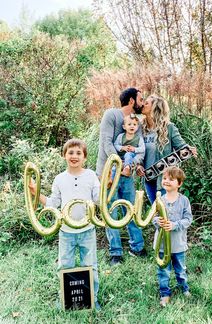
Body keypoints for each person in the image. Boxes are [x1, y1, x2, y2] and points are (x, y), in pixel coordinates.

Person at [29, 139, 101, 311]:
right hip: (66, 232)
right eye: (70, 152)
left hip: (87, 230)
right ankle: (66, 299)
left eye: (78, 153)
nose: (74, 156)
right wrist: (36, 193)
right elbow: (53, 203)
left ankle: (92, 298)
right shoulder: (60, 179)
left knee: (90, 264)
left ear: (85, 157)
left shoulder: (91, 175)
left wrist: (108, 185)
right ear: (64, 155)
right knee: (65, 265)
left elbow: (98, 200)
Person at [96, 87, 147, 266]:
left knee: (131, 209)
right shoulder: (111, 115)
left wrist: (131, 166)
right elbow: (106, 143)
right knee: (111, 212)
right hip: (108, 173)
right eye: (141, 99)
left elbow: (140, 151)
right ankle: (115, 253)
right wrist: (118, 166)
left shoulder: (136, 121)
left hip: (127, 175)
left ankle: (137, 247)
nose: (143, 102)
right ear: (132, 100)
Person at [136, 95, 197, 203]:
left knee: (166, 211)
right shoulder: (140, 128)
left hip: (166, 179)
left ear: (154, 108)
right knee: (155, 212)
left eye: (146, 103)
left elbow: (181, 146)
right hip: (148, 179)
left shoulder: (169, 128)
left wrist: (189, 149)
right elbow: (137, 151)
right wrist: (138, 165)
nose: (143, 105)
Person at [153, 166, 192, 307]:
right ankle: (165, 293)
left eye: (171, 179)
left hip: (178, 244)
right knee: (163, 271)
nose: (166, 181)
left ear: (179, 183)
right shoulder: (159, 200)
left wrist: (174, 225)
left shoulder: (184, 201)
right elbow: (152, 217)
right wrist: (158, 221)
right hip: (162, 245)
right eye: (164, 178)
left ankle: (184, 288)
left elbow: (188, 219)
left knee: (180, 269)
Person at [112, 114, 145, 178]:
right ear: (124, 127)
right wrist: (122, 148)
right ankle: (111, 180)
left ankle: (127, 169)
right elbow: (115, 145)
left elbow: (143, 148)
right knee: (114, 168)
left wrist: (134, 149)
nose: (132, 126)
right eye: (129, 124)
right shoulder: (121, 136)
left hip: (133, 158)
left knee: (128, 154)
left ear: (137, 127)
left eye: (134, 124)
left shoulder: (139, 138)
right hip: (122, 158)